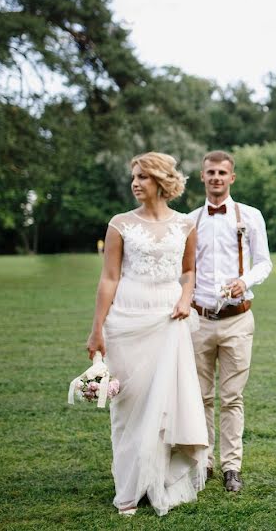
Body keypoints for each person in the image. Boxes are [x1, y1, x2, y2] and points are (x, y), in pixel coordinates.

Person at [85, 152, 208, 516]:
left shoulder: (185, 225)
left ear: (161, 181)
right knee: (129, 406)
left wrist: (187, 299)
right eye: (134, 177)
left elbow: (189, 271)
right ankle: (128, 486)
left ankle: (156, 481)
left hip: (169, 319)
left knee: (165, 404)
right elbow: (109, 278)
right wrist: (96, 330)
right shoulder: (120, 224)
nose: (136, 183)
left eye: (143, 177)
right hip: (126, 318)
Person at [189, 150, 272, 492]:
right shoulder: (190, 220)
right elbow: (185, 271)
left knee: (232, 398)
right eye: (211, 172)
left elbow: (265, 263)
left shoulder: (250, 216)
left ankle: (231, 467)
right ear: (203, 176)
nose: (217, 178)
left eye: (222, 172)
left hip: (238, 319)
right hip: (198, 321)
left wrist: (245, 280)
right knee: (200, 397)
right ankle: (203, 463)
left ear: (232, 178)